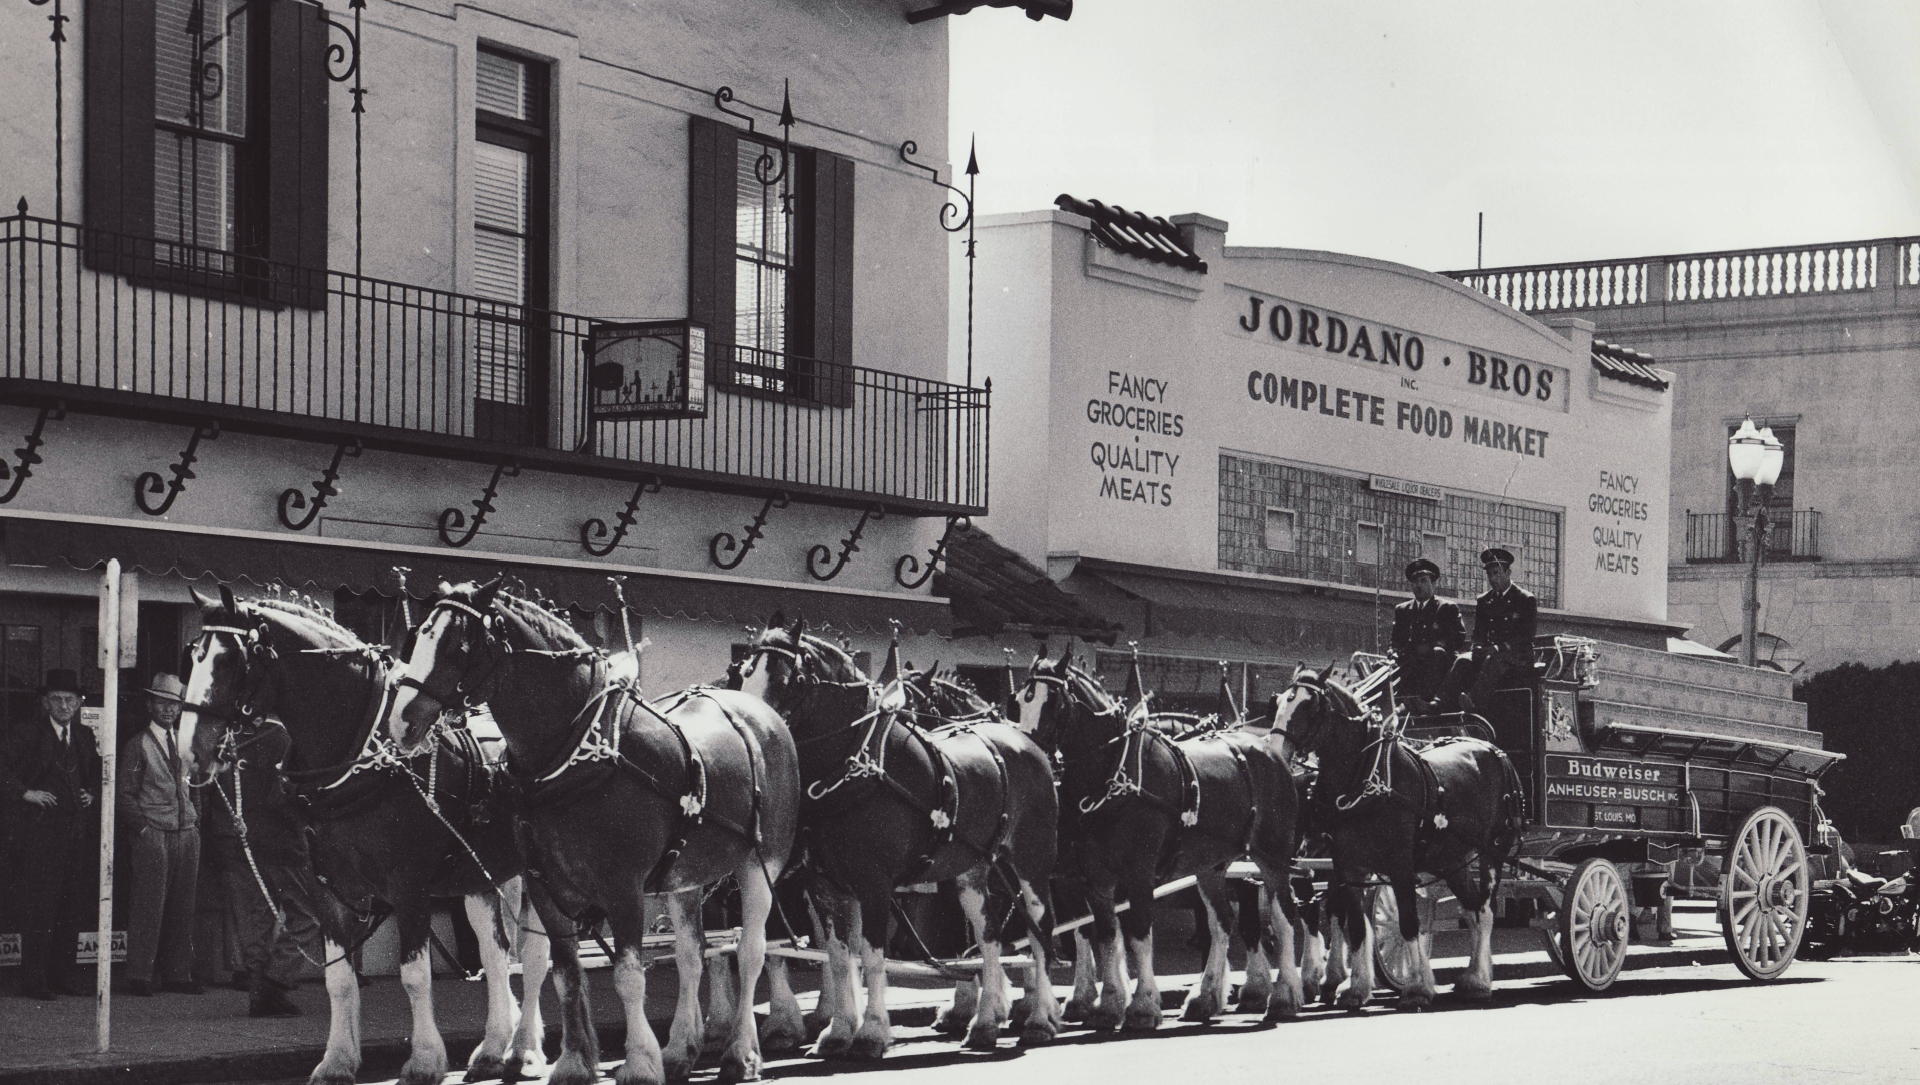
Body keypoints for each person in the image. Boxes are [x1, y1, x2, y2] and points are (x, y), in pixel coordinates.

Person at [200, 720, 312, 1017]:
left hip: (241, 840)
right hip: (283, 844)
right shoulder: (283, 736)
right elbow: (289, 793)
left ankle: (259, 992)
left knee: (255, 921)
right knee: (308, 913)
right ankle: (275, 981)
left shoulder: (228, 739)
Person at [0, 669, 100, 999]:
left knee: (70, 908)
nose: (63, 705)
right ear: (45, 702)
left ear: (78, 703)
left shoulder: (84, 736)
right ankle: (34, 981)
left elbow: (96, 774)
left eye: (70, 699)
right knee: (40, 908)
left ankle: (61, 977)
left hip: (74, 836)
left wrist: (91, 793)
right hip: (39, 837)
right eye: (56, 699)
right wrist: (25, 793)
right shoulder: (27, 733)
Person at [118, 674, 202, 996]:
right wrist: (142, 829)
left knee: (183, 905)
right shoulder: (137, 744)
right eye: (162, 702)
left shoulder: (185, 741)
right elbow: (125, 795)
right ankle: (140, 974)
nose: (168, 709)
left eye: (174, 704)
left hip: (186, 832)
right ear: (150, 704)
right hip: (153, 831)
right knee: (147, 905)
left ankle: (179, 974)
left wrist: (196, 823)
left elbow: (194, 787)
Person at [1466, 546, 1541, 712]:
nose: (1492, 578)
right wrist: (1476, 646)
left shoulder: (1524, 599)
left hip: (1517, 658)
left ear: (1508, 572)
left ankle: (1473, 707)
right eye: (1489, 574)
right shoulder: (1484, 600)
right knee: (1463, 660)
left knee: (1495, 660)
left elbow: (1526, 637)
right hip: (1491, 653)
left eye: (1497, 573)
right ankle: (1439, 704)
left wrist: (1498, 648)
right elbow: (1478, 632)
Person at [1390, 558, 1467, 709]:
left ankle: (1427, 703)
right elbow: (1395, 641)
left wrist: (1433, 646)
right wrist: (1392, 652)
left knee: (1436, 654)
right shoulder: (1402, 610)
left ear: (1433, 583)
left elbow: (1459, 637)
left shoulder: (1446, 608)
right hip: (1410, 660)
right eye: (1415, 581)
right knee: (1384, 665)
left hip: (1440, 664)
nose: (1418, 585)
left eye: (1423, 580)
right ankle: (1388, 705)